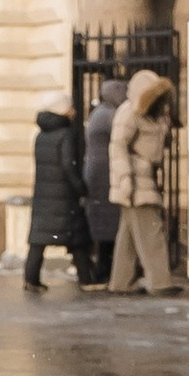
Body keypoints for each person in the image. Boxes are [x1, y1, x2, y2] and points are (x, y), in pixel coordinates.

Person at [106, 67, 177, 294]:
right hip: (136, 180)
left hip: (144, 177)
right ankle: (160, 282)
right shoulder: (129, 113)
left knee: (128, 236)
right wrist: (125, 177)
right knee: (151, 231)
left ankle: (121, 282)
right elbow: (118, 147)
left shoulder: (156, 113)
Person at [23, 106, 90, 292]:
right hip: (64, 195)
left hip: (43, 195)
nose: (73, 111)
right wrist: (80, 188)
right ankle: (86, 278)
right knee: (77, 238)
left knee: (38, 240)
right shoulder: (66, 134)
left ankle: (31, 279)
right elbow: (69, 165)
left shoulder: (41, 135)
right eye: (70, 107)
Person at [80, 83, 121, 286]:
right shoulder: (109, 115)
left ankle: (103, 268)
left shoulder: (99, 113)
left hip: (98, 174)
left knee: (104, 225)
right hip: (105, 176)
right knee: (109, 226)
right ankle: (105, 270)